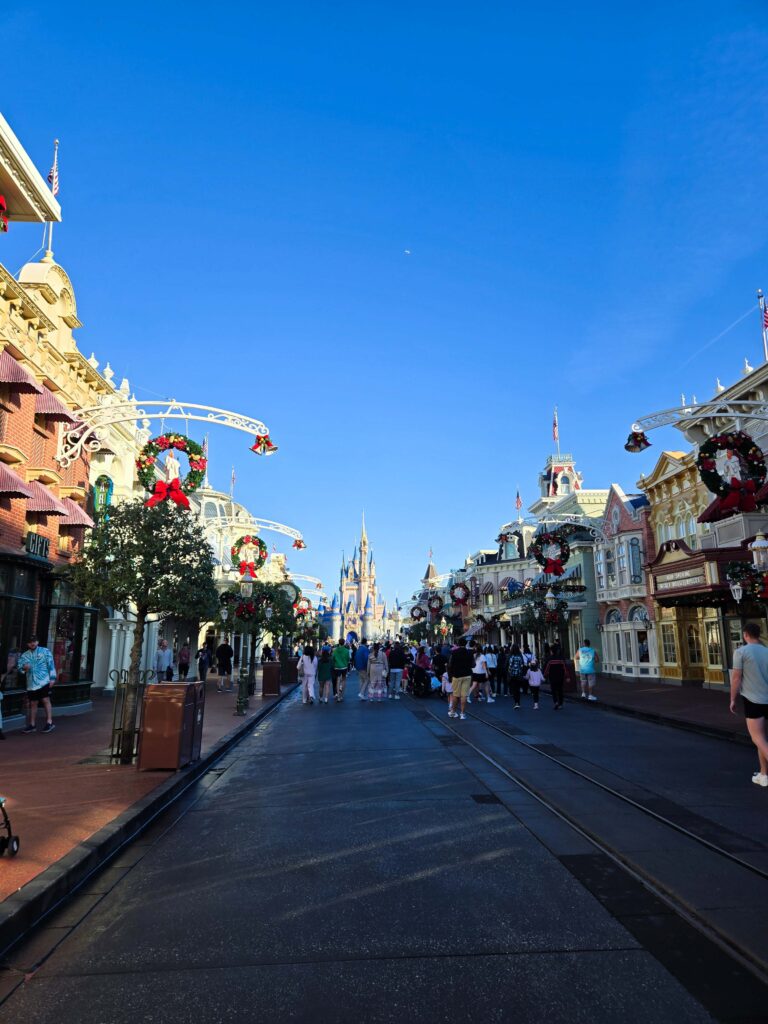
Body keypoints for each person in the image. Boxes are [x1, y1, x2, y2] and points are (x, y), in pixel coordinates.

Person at [730, 622, 768, 787]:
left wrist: (732, 698)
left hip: (753, 700)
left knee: (757, 737)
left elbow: (736, 678)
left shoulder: (741, 652)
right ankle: (763, 774)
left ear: (745, 634)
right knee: (763, 738)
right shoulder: (767, 651)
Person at [19, 635, 57, 734]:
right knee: (33, 703)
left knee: (45, 699)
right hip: (31, 683)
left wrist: (52, 678)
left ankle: (49, 722)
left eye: (34, 641)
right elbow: (20, 668)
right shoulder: (24, 655)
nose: (32, 643)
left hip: (44, 680)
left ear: (38, 642)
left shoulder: (45, 651)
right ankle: (32, 724)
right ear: (27, 644)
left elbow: (51, 665)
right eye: (30, 642)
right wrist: (24, 668)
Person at [447, 638, 474, 720]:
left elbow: (450, 665)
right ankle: (462, 714)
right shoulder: (469, 653)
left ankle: (453, 712)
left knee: (455, 695)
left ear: (458, 644)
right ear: (466, 644)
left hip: (456, 675)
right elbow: (473, 665)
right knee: (464, 695)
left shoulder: (454, 653)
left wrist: (450, 675)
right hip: (467, 675)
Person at [545, 643, 569, 710]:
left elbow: (546, 669)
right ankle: (560, 704)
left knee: (553, 690)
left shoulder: (549, 659)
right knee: (560, 690)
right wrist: (567, 676)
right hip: (560, 676)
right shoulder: (561, 659)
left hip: (552, 677)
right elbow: (565, 668)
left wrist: (545, 676)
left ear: (551, 651)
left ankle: (555, 702)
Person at [332, 638, 351, 702]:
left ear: (339, 642)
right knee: (343, 680)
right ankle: (342, 695)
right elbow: (348, 659)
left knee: (338, 681)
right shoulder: (346, 650)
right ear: (344, 643)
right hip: (344, 667)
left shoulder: (335, 650)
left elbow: (333, 658)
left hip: (337, 667)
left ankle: (338, 696)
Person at [507, 644, 526, 709]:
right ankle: (518, 702)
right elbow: (523, 664)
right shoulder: (520, 655)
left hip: (512, 675)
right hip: (519, 675)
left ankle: (516, 703)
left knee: (514, 689)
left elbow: (507, 664)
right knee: (517, 689)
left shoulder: (510, 655)